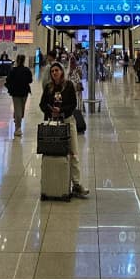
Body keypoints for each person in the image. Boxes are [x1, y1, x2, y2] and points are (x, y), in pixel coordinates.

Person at [39, 62, 89, 198]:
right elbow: (42, 104)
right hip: (53, 124)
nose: (54, 73)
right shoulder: (49, 88)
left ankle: (77, 184)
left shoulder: (69, 86)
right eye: (52, 71)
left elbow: (73, 104)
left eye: (57, 70)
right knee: (51, 154)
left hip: (67, 122)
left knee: (73, 153)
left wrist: (61, 111)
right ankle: (53, 184)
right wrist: (50, 112)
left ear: (62, 71)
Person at [5, 54, 33, 137]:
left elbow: (8, 80)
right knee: (21, 108)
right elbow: (30, 80)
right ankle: (18, 127)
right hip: (24, 92)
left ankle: (17, 125)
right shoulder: (27, 70)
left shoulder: (13, 70)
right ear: (24, 61)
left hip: (15, 92)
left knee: (17, 108)